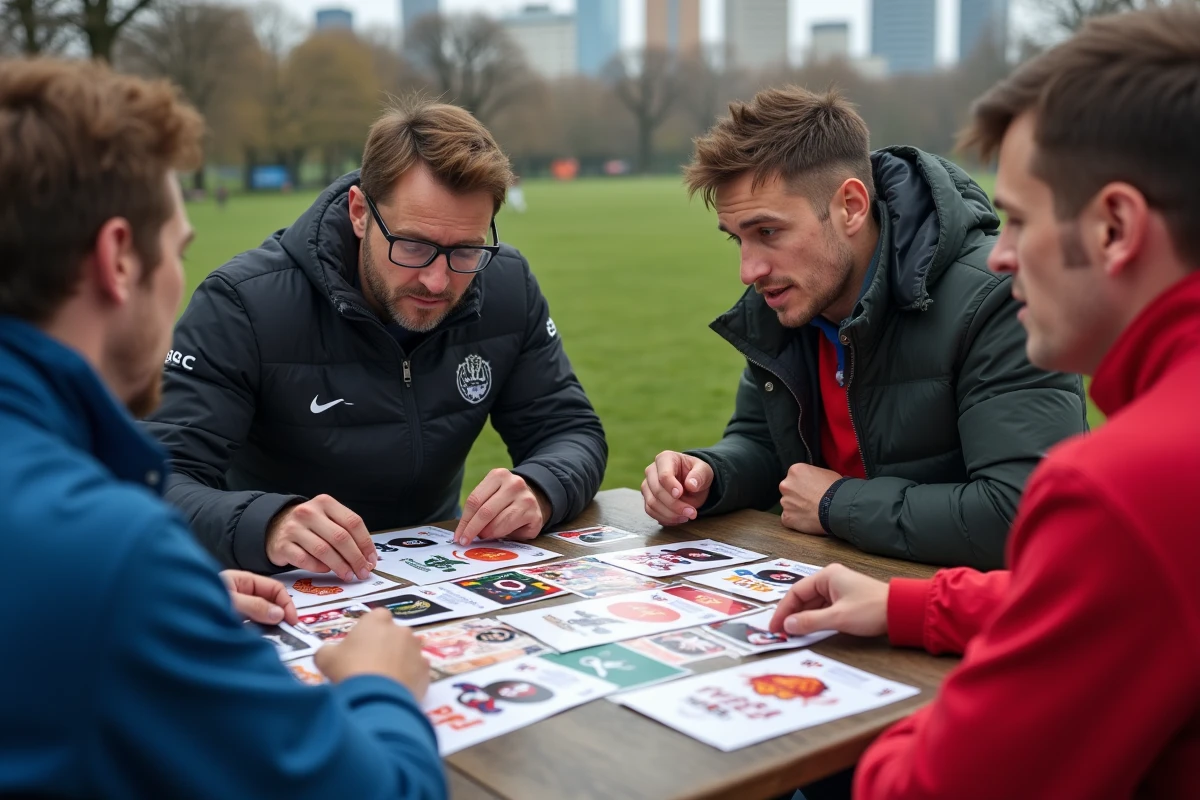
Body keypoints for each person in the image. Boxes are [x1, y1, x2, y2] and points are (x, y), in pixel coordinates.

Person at [769, 7, 1200, 797]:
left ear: (1115, 228)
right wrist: (916, 605)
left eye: (1024, 219)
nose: (1001, 255)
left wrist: (856, 727)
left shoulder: (1129, 488)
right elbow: (1094, 599)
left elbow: (930, 787)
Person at [0, 58, 445, 798]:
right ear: (118, 259)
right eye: (176, 249)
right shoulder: (110, 552)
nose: (180, 275)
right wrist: (380, 687)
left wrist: (178, 603)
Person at [144, 98, 606, 582]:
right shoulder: (243, 304)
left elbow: (570, 430)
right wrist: (268, 524)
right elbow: (157, 478)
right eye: (413, 246)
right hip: (292, 586)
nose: (436, 281)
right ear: (360, 212)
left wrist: (539, 486)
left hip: (443, 579)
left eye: (466, 251)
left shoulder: (506, 285)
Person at [642, 85, 1088, 569]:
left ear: (851, 206)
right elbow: (766, 445)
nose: (749, 271)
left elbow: (1022, 513)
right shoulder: (789, 301)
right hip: (843, 601)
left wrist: (838, 505)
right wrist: (708, 474)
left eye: (768, 232)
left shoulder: (1000, 300)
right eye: (738, 241)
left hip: (977, 621)